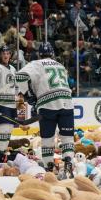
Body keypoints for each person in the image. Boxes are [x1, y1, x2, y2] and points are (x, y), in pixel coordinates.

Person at [16, 42, 75, 176]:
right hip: (67, 103)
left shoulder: (36, 64)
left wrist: (29, 95)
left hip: (48, 105)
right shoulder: (60, 65)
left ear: (39, 54)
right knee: (67, 139)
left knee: (47, 139)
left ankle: (49, 169)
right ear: (52, 54)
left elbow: (19, 76)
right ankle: (68, 166)